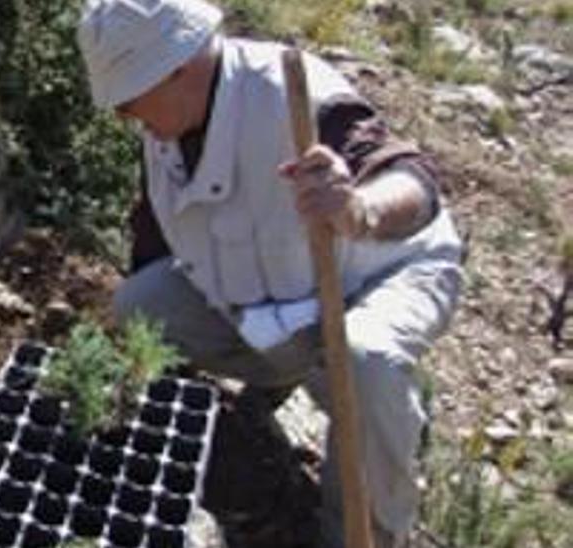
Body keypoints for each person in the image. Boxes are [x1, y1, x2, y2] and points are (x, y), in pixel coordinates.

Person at [76, 1, 463, 547]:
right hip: (281, 292)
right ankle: (286, 374)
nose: (123, 117)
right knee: (143, 306)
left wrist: (358, 209)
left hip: (379, 272)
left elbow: (414, 179)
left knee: (365, 359)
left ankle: (365, 530)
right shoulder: (167, 123)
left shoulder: (290, 93)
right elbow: (157, 229)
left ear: (177, 67)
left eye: (130, 98)